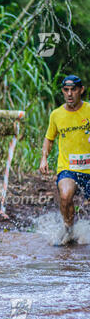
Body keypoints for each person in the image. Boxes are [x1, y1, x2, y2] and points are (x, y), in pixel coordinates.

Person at [40, 75, 90, 245]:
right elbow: (49, 138)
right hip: (67, 167)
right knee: (65, 195)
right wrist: (44, 158)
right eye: (66, 90)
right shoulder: (56, 115)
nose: (69, 94)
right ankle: (68, 230)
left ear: (81, 90)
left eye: (73, 90)